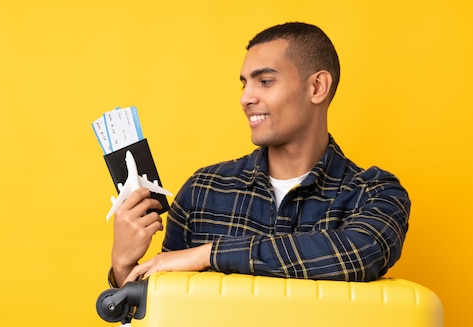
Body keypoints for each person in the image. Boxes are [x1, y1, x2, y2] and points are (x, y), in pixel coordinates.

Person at [108, 22, 411, 288]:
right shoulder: (203, 191)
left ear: (317, 87)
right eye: (244, 83)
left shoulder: (374, 193)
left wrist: (207, 255)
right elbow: (161, 316)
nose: (245, 98)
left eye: (265, 82)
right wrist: (123, 265)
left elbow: (359, 253)